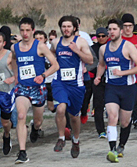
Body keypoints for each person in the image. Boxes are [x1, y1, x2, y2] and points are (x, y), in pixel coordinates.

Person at [94, 18, 137, 163]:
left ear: (121, 31)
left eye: (114, 29)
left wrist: (123, 73)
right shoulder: (104, 49)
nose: (111, 32)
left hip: (128, 88)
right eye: (109, 29)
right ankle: (112, 149)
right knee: (111, 116)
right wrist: (98, 76)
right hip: (111, 88)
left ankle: (121, 145)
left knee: (125, 122)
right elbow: (102, 65)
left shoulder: (128, 47)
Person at [12, 17, 59, 164]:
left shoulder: (40, 46)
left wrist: (43, 75)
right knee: (20, 116)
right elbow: (13, 60)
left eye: (27, 30)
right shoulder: (15, 47)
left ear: (33, 30)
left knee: (38, 121)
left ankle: (35, 128)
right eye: (22, 30)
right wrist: (16, 76)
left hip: (38, 88)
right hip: (22, 88)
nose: (25, 33)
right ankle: (22, 152)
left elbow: (55, 65)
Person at [50, 15, 93, 158]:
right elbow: (50, 57)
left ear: (74, 28)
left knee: (74, 117)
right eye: (63, 26)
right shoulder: (56, 42)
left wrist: (77, 51)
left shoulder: (80, 42)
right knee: (61, 108)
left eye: (69, 26)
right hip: (60, 82)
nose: (66, 29)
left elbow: (90, 60)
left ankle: (75, 140)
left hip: (76, 84)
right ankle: (61, 138)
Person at [91, 27, 109, 138]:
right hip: (97, 80)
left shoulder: (111, 47)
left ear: (107, 36)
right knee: (98, 106)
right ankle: (101, 130)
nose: (101, 38)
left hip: (111, 79)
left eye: (103, 36)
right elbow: (90, 63)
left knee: (113, 104)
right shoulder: (92, 48)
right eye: (98, 36)